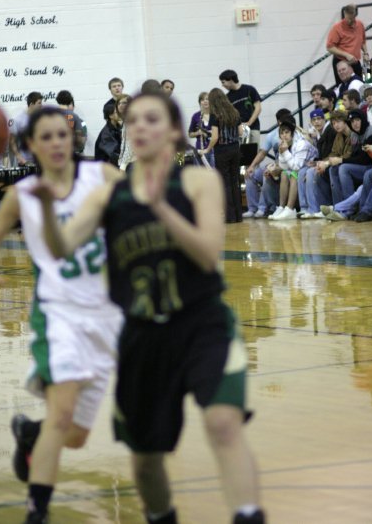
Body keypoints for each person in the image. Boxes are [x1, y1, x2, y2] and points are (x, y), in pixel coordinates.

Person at [33, 92, 265, 524]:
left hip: (202, 323)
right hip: (142, 333)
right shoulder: (110, 195)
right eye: (132, 120)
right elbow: (61, 248)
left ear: (174, 131)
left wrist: (159, 207)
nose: (138, 127)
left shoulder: (197, 182)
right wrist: (47, 202)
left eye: (151, 119)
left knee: (222, 424)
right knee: (145, 459)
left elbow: (209, 253)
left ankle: (248, 516)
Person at [0, 107, 124, 524]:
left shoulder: (103, 176)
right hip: (57, 314)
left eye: (63, 134)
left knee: (74, 436)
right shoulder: (21, 195)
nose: (58, 142)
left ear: (72, 137)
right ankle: (36, 513)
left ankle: (31, 434)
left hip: (105, 316)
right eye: (48, 137)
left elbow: (138, 213)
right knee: (62, 416)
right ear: (31, 147)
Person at [321, 110, 372, 221]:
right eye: (352, 121)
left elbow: (364, 159)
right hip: (370, 167)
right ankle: (340, 208)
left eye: (357, 120)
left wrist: (341, 160)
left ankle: (342, 209)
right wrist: (327, 162)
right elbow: (351, 155)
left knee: (344, 168)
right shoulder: (353, 134)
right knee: (334, 169)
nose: (355, 124)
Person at [201, 88, 243, 223]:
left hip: (222, 151)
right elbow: (241, 132)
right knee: (235, 181)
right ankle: (238, 216)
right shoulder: (235, 112)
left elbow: (215, 137)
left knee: (225, 184)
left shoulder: (215, 115)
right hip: (235, 149)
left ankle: (230, 216)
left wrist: (207, 149)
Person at [242, 108, 293, 218]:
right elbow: (262, 153)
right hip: (277, 165)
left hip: (288, 167)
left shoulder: (294, 134)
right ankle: (252, 208)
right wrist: (251, 166)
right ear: (279, 122)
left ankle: (265, 208)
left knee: (267, 172)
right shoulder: (272, 135)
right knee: (251, 174)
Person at [268, 117, 317, 221]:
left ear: (292, 133)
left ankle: (290, 209)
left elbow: (296, 167)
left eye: (287, 132)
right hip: (301, 166)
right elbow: (284, 167)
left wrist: (285, 152)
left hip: (311, 165)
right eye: (282, 133)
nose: (284, 135)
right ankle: (281, 207)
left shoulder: (301, 143)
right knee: (284, 174)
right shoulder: (284, 144)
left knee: (294, 174)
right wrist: (282, 153)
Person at [298, 108, 337, 218]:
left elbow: (332, 153)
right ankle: (304, 207)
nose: (317, 122)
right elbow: (321, 154)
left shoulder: (329, 130)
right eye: (314, 120)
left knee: (310, 172)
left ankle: (314, 208)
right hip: (323, 161)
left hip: (331, 163)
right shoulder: (317, 134)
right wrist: (316, 161)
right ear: (311, 122)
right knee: (301, 172)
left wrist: (318, 162)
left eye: (319, 119)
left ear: (324, 120)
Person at [326, 4, 369, 84]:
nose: (349, 21)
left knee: (361, 81)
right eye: (347, 18)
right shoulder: (337, 28)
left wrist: (366, 53)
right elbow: (329, 47)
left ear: (355, 15)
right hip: (341, 61)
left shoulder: (360, 25)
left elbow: (362, 41)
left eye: (351, 18)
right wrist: (346, 54)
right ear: (345, 14)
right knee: (344, 86)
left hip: (355, 60)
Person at [219, 70, 262, 146]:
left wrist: (249, 123)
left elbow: (258, 108)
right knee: (245, 153)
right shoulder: (227, 98)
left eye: (223, 82)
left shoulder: (249, 89)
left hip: (254, 127)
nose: (223, 85)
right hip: (241, 129)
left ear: (230, 80)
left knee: (255, 153)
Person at [9, 91, 43, 166]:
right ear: (31, 104)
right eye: (39, 103)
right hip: (25, 162)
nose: (41, 105)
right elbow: (12, 142)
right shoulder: (18, 120)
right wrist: (20, 158)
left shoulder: (39, 119)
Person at [55, 89, 87, 154]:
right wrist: (79, 149)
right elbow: (79, 137)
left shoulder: (51, 115)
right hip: (71, 152)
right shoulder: (74, 116)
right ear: (70, 100)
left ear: (58, 100)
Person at [188, 92, 214, 167]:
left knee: (214, 173)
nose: (205, 101)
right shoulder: (196, 116)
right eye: (202, 100)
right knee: (203, 174)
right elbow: (190, 134)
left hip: (214, 149)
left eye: (207, 99)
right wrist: (198, 133)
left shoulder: (215, 115)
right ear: (200, 103)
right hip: (201, 149)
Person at [94, 101, 123, 165]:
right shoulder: (106, 133)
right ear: (110, 116)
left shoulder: (118, 127)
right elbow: (114, 155)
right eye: (116, 112)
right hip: (105, 168)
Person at [116, 94, 134, 171]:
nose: (120, 105)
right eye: (119, 103)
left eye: (124, 103)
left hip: (134, 163)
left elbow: (130, 145)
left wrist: (123, 166)